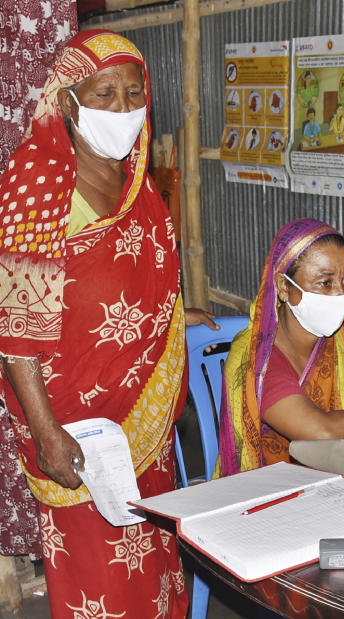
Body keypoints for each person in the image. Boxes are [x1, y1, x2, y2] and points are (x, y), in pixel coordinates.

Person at [0, 29, 217, 618]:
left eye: (133, 93)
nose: (123, 109)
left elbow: (143, 271)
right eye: (104, 94)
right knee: (102, 578)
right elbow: (13, 328)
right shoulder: (36, 185)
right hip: (74, 425)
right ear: (69, 102)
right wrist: (47, 433)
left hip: (142, 414)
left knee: (155, 562)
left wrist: (172, 314)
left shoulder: (135, 180)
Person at [218, 219, 344, 475]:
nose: (341, 294)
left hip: (329, 476)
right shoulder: (258, 359)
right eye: (325, 283)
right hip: (276, 488)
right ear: (284, 287)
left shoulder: (335, 337)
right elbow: (320, 430)